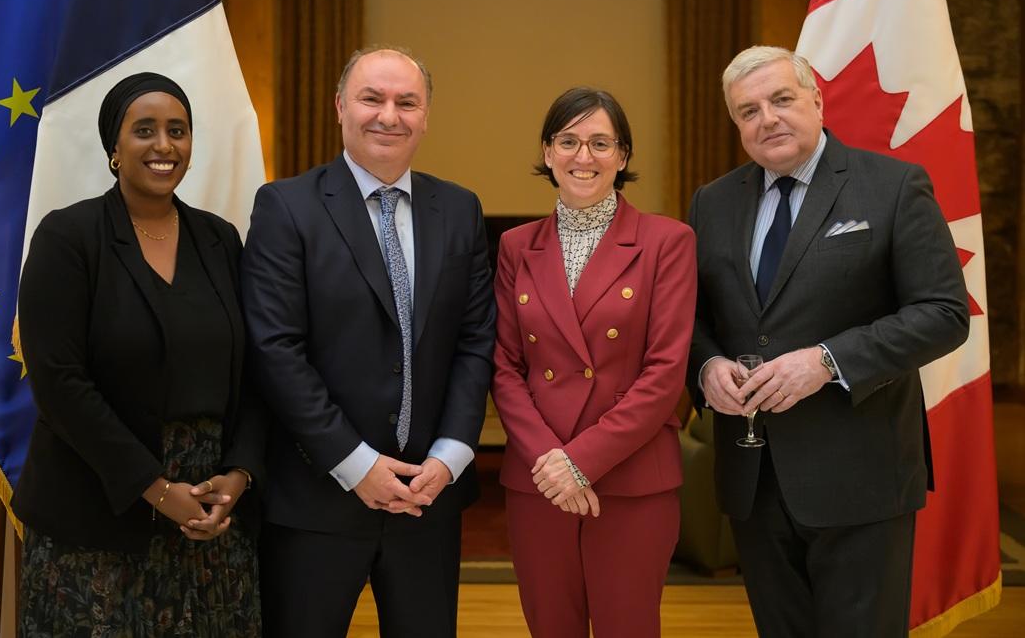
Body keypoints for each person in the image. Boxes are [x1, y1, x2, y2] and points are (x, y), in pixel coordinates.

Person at [688, 45, 970, 637]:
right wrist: (707, 365)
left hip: (861, 475)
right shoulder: (712, 202)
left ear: (817, 101)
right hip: (753, 477)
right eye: (748, 111)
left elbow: (943, 313)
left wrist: (827, 361)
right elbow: (693, 319)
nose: (767, 119)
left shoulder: (892, 186)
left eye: (781, 100)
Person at [241, 46, 496, 638]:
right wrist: (356, 464)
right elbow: (276, 348)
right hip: (318, 499)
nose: (389, 115)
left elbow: (475, 340)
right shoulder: (286, 207)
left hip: (429, 498)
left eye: (407, 102)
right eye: (371, 98)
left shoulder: (459, 209)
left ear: (426, 116)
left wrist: (450, 457)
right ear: (339, 107)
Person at [11, 72, 265, 637]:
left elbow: (253, 372)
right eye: (144, 130)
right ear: (114, 148)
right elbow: (59, 383)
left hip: (210, 518)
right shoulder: (68, 237)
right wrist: (155, 490)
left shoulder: (220, 239)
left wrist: (239, 475)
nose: (164, 145)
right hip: (97, 517)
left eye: (178, 130)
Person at [491, 87, 696, 637]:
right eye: (569, 141)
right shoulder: (516, 246)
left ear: (623, 156)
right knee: (550, 627)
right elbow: (505, 367)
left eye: (601, 143)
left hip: (631, 476)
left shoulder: (667, 241)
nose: (584, 156)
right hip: (540, 478)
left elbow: (665, 372)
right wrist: (552, 462)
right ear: (548, 152)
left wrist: (580, 461)